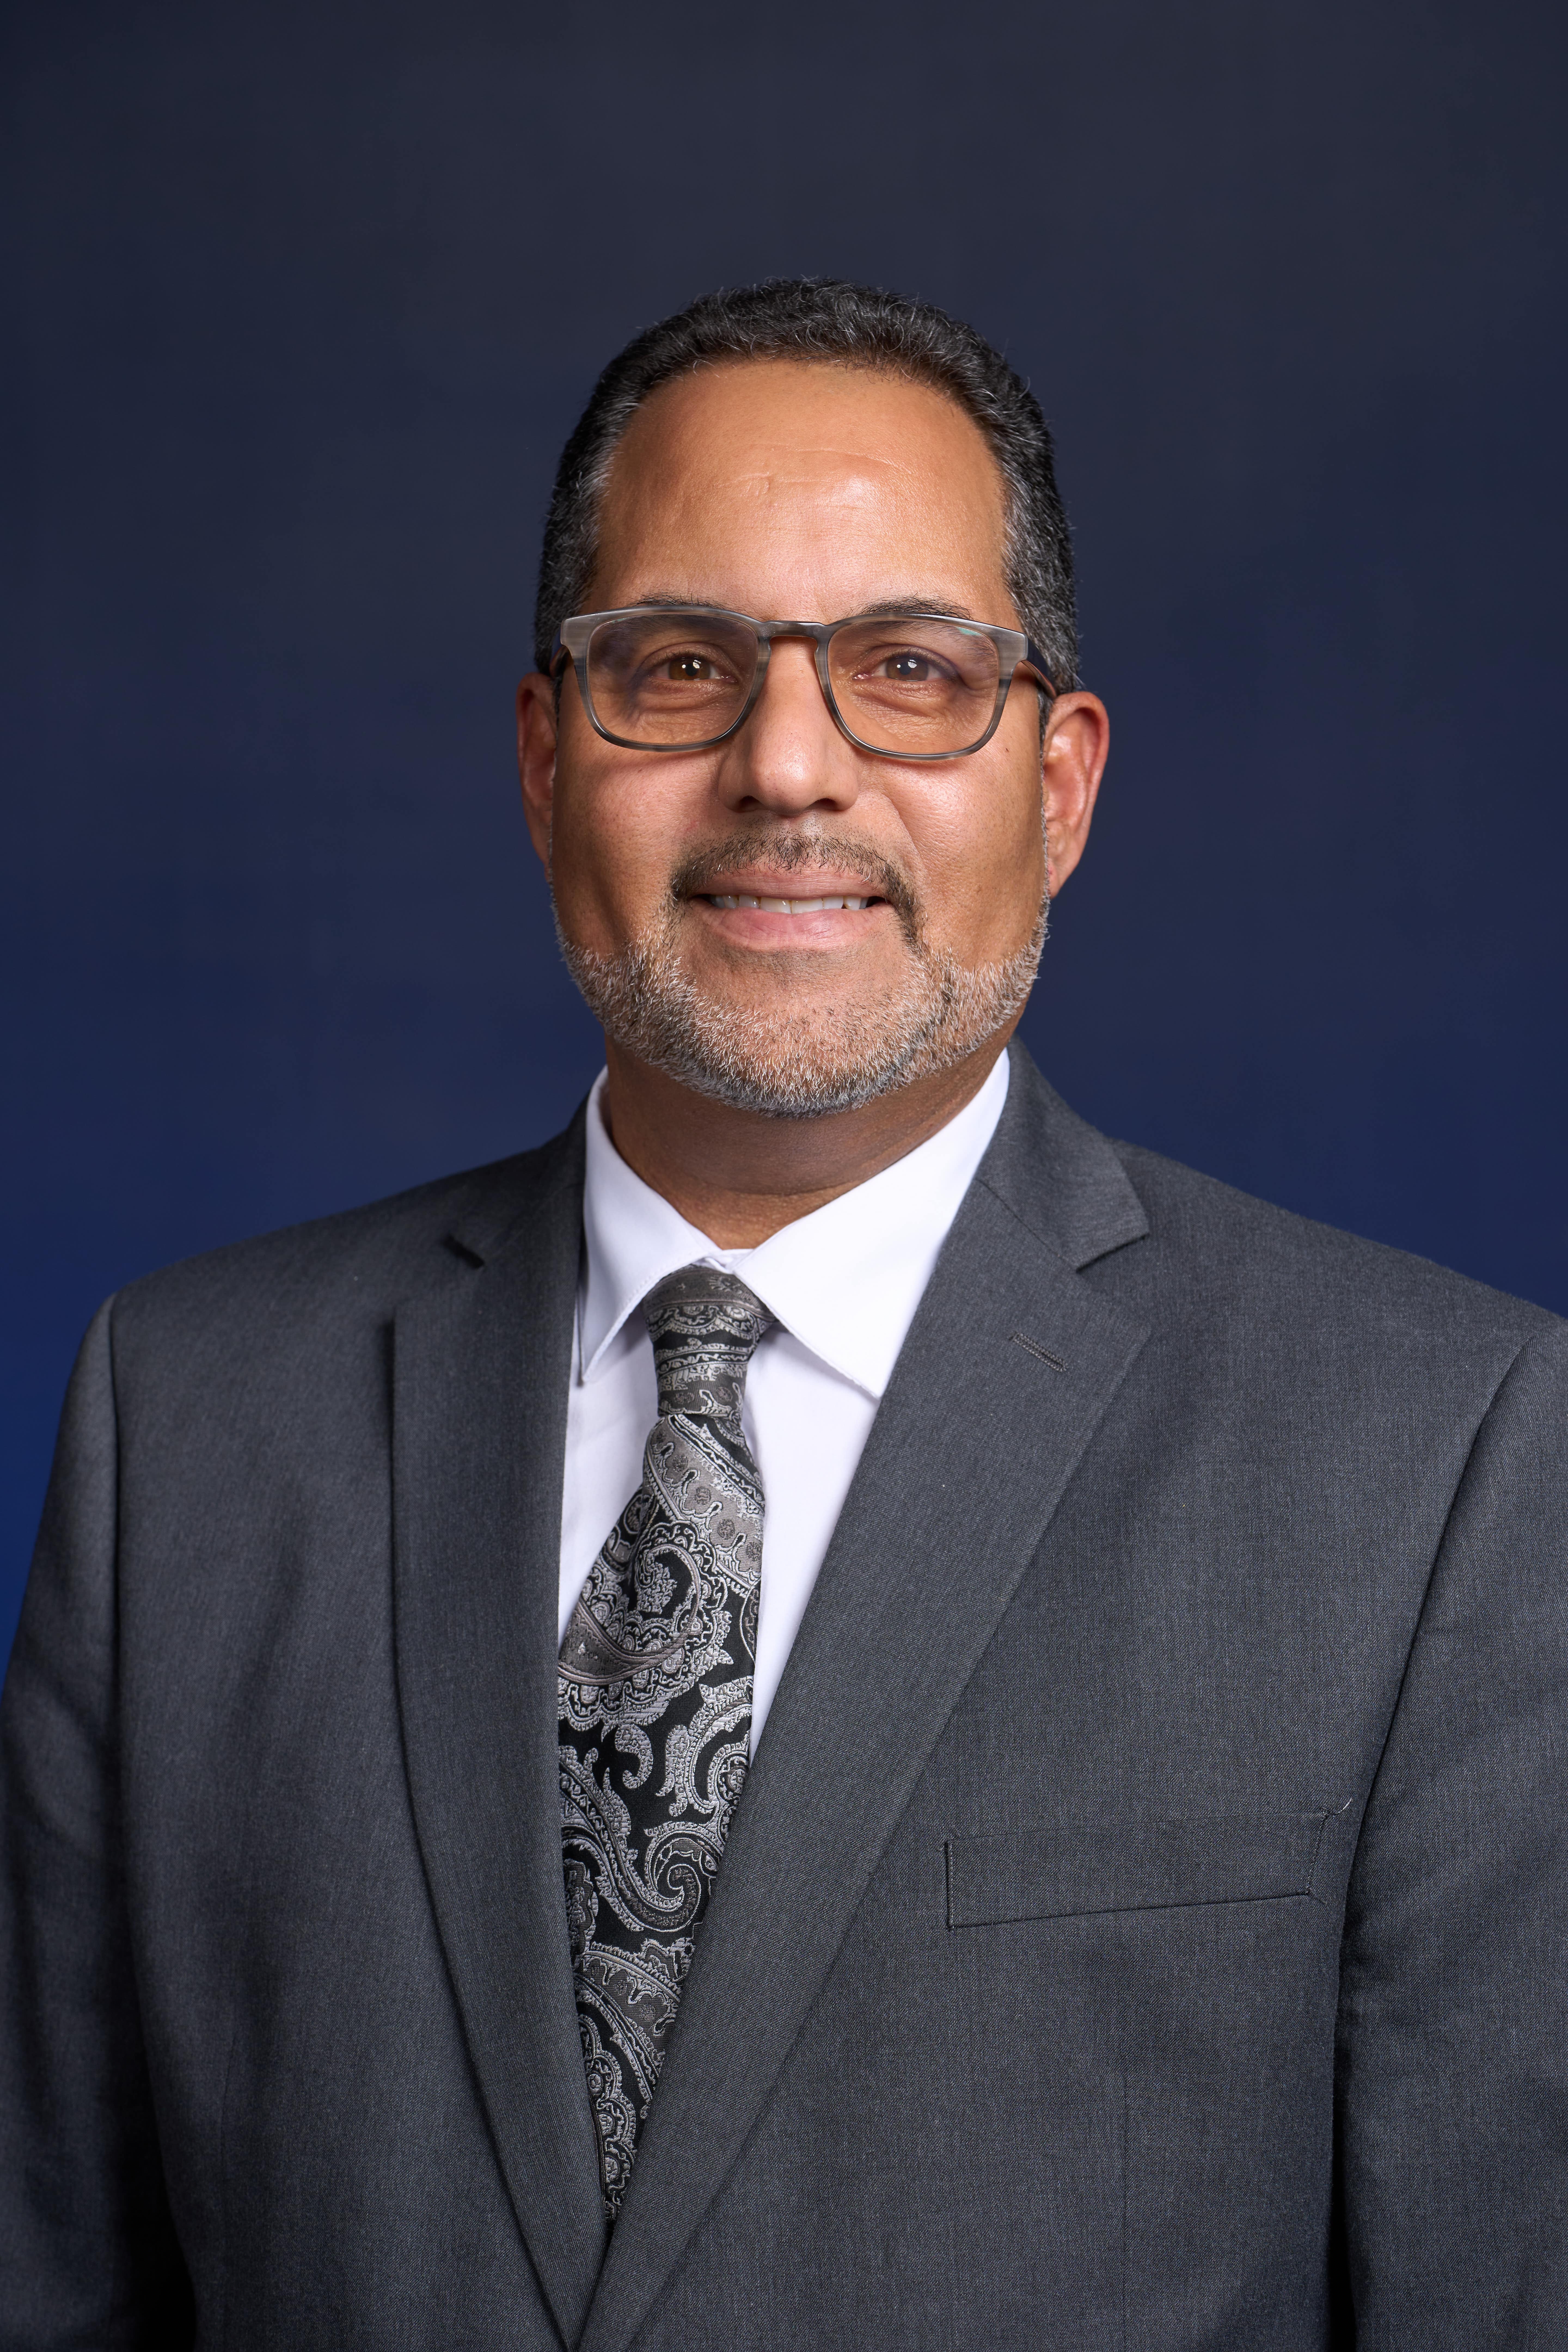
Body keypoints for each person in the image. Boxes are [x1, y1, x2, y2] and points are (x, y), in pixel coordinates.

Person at [2, 277, 1564, 2351]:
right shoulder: (183, 1425)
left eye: (910, 670)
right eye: (680, 666)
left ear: (1064, 786)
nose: (789, 767)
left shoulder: (1438, 1460)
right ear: (550, 759)